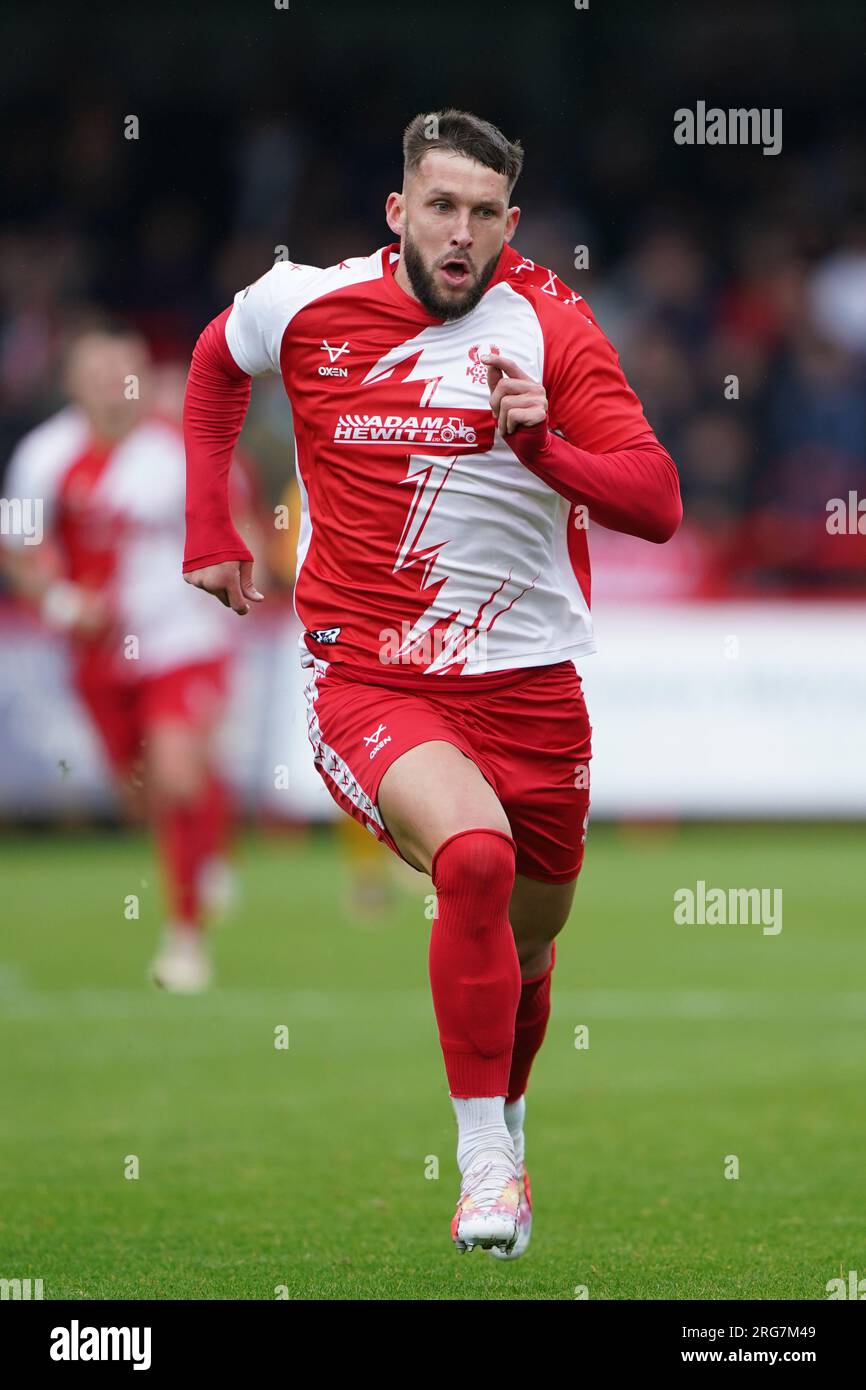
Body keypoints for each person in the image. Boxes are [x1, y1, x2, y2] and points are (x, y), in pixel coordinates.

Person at [182, 109, 682, 1254]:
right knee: (473, 859)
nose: (461, 234)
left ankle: (503, 1116)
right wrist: (209, 520)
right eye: (441, 208)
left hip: (529, 687)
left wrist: (542, 444)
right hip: (368, 675)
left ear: (513, 222)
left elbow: (654, 501)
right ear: (399, 212)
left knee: (534, 940)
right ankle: (484, 1163)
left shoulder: (550, 327)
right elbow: (215, 363)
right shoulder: (302, 304)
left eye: (485, 214)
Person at [2, 324, 248, 993]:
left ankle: (185, 937)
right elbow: (17, 550)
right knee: (140, 791)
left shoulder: (177, 452)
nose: (117, 385)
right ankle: (202, 847)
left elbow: (234, 526)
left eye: (127, 371)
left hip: (180, 642)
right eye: (102, 372)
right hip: (97, 655)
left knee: (175, 769)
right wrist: (60, 602)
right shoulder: (40, 456)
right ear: (74, 380)